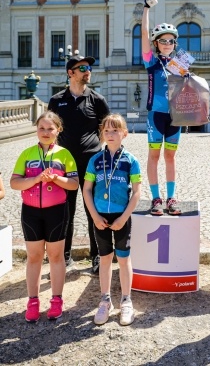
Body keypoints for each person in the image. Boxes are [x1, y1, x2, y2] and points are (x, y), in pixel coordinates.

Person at [10, 111, 79, 322]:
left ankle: (56, 300)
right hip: (30, 212)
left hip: (57, 211)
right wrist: (38, 178)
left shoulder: (65, 154)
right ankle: (32, 301)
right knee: (34, 256)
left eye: (50, 128)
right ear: (36, 130)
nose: (46, 132)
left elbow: (74, 184)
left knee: (56, 256)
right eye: (42, 128)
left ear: (58, 130)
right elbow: (14, 183)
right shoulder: (27, 154)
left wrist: (55, 179)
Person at [48, 54, 110, 274]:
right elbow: (50, 130)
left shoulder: (97, 99)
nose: (87, 70)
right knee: (65, 211)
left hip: (92, 164)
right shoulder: (56, 101)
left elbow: (106, 129)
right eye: (82, 67)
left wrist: (95, 149)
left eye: (89, 67)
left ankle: (97, 257)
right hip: (64, 166)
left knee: (94, 210)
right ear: (70, 73)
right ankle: (64, 258)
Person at [83, 114, 141, 326]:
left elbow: (136, 193)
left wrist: (123, 218)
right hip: (100, 218)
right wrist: (94, 216)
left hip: (121, 217)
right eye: (106, 131)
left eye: (115, 130)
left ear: (124, 133)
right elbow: (87, 190)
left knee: (124, 259)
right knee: (105, 259)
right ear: (102, 134)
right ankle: (105, 300)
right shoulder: (95, 160)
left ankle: (126, 301)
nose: (110, 134)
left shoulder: (130, 161)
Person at [142, 0, 182, 216]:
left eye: (171, 41)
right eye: (163, 41)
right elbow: (144, 35)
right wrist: (146, 9)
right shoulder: (151, 62)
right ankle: (156, 198)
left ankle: (171, 198)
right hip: (155, 116)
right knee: (154, 156)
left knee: (170, 156)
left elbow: (193, 90)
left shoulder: (181, 63)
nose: (167, 43)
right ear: (157, 44)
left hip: (176, 117)